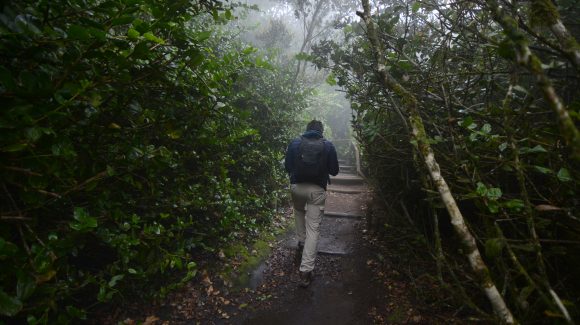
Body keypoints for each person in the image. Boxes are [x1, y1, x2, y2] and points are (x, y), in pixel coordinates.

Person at [284, 120, 339, 288]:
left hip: (297, 188)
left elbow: (287, 167)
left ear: (307, 130)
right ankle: (306, 271)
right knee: (313, 228)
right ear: (321, 132)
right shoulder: (328, 145)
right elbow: (334, 171)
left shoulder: (295, 143)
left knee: (299, 211)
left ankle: (301, 242)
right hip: (317, 191)